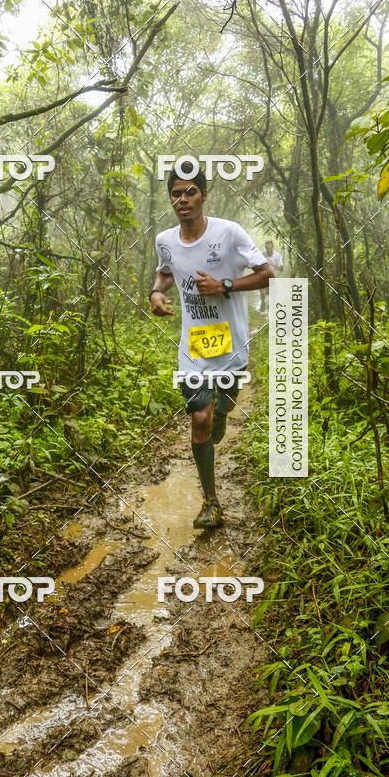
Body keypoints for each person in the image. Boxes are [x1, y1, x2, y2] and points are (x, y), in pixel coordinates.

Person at [149, 164, 274, 531]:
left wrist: (226, 285)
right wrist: (157, 292)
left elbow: (267, 274)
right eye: (176, 193)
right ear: (170, 198)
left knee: (225, 403)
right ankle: (211, 502)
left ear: (204, 194)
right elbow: (166, 271)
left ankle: (223, 409)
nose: (182, 199)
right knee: (198, 418)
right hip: (193, 348)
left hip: (230, 346)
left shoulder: (229, 233)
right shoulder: (165, 240)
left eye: (190, 192)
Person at [259, 240, 283, 312]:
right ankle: (263, 303)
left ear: (273, 247)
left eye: (270, 248)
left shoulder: (277, 255)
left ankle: (271, 311)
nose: (268, 250)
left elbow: (281, 269)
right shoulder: (262, 254)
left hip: (273, 278)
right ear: (265, 248)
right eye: (267, 249)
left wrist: (273, 264)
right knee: (263, 293)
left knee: (272, 297)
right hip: (264, 278)